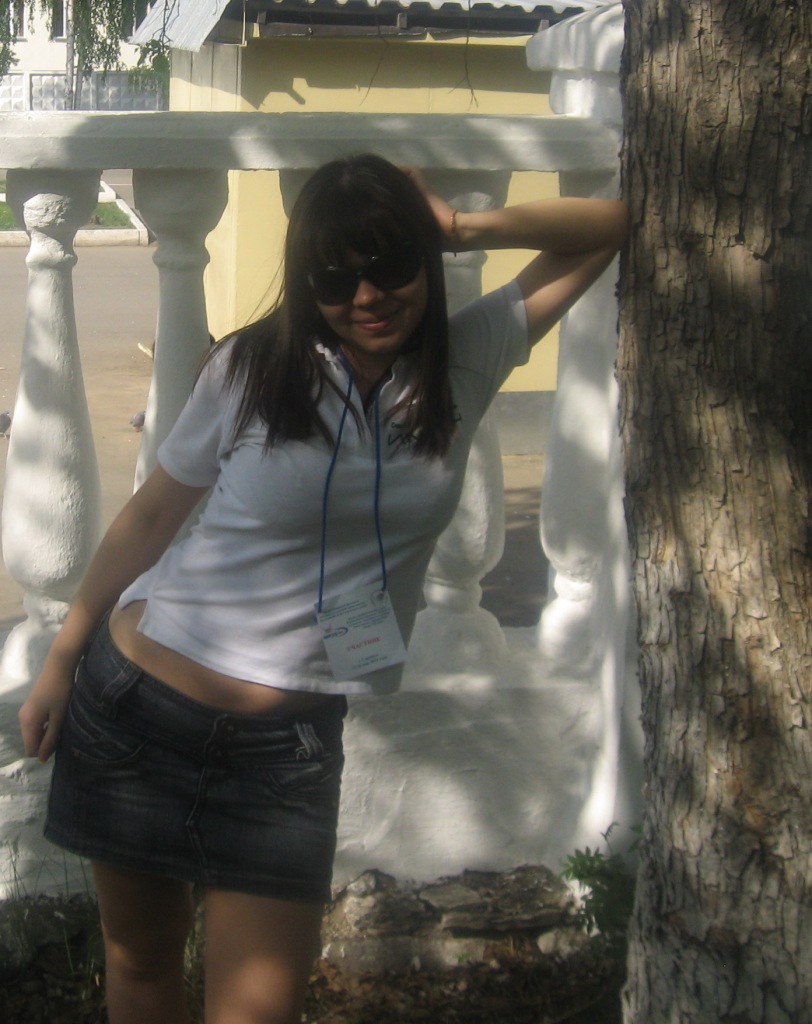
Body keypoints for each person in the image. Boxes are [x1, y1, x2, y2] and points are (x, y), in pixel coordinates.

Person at [18, 155, 629, 1024]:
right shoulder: (254, 368)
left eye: (391, 264)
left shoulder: (469, 356)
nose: (367, 296)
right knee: (143, 965)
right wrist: (61, 660)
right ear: (308, 284)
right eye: (335, 278)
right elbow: (151, 517)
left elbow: (610, 226)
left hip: (288, 748)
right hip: (138, 712)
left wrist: (461, 228)